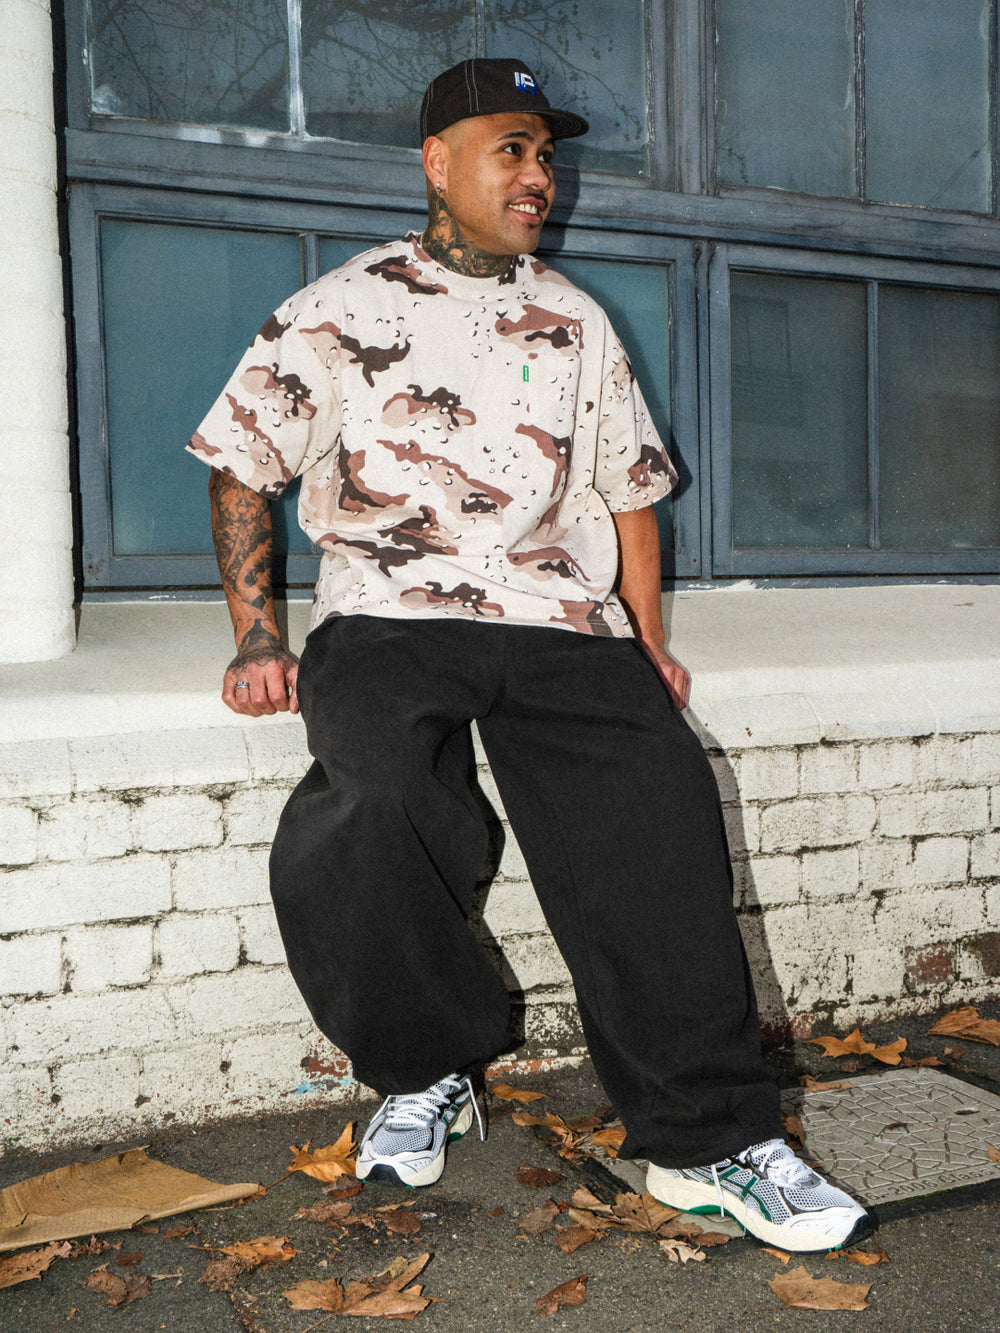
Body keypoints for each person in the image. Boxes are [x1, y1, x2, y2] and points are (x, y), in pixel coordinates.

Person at [188, 57, 869, 1253]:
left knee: (656, 807)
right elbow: (244, 465)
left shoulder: (576, 320)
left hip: (557, 618)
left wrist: (646, 645)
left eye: (546, 155)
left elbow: (628, 495)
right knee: (374, 804)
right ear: (436, 161)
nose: (538, 175)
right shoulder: (338, 307)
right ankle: (425, 1069)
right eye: (511, 148)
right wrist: (256, 633)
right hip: (387, 611)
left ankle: (708, 1143)